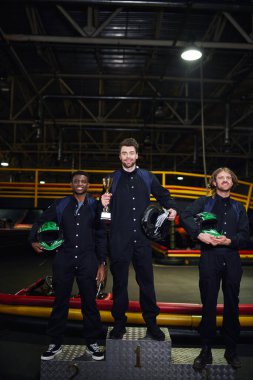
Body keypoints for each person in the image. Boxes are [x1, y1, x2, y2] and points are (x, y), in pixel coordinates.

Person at [101, 137, 177, 341]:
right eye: (124, 153)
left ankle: (152, 323)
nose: (128, 157)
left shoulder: (147, 177)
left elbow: (163, 195)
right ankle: (119, 324)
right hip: (118, 239)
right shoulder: (111, 179)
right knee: (119, 284)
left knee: (146, 283)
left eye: (131, 153)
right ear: (120, 156)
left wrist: (171, 207)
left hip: (143, 239)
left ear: (136, 155)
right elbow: (103, 212)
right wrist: (102, 202)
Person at [29, 171, 108, 361]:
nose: (80, 184)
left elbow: (101, 236)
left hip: (88, 259)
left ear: (88, 185)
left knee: (89, 303)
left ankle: (92, 344)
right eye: (76, 181)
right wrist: (32, 239)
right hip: (63, 258)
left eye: (83, 181)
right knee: (60, 302)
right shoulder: (60, 204)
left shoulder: (97, 206)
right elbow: (41, 222)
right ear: (71, 184)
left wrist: (102, 263)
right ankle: (55, 343)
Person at [180, 167, 249, 370]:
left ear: (232, 182)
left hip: (232, 259)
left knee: (232, 305)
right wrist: (199, 235)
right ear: (214, 183)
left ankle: (231, 349)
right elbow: (185, 216)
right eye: (221, 177)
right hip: (209, 258)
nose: (225, 180)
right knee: (208, 304)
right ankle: (206, 349)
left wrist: (230, 240)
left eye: (228, 178)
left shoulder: (239, 207)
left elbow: (245, 235)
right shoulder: (205, 203)